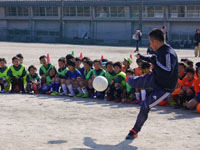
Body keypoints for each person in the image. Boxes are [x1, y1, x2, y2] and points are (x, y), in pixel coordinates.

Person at [126, 28, 178, 140]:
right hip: (155, 77)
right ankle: (127, 78)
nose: (149, 44)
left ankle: (135, 130)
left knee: (145, 106)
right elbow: (154, 59)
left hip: (164, 87)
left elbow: (168, 70)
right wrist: (142, 57)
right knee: (133, 82)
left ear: (155, 41)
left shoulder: (168, 53)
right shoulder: (160, 50)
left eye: (150, 41)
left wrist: (154, 61)